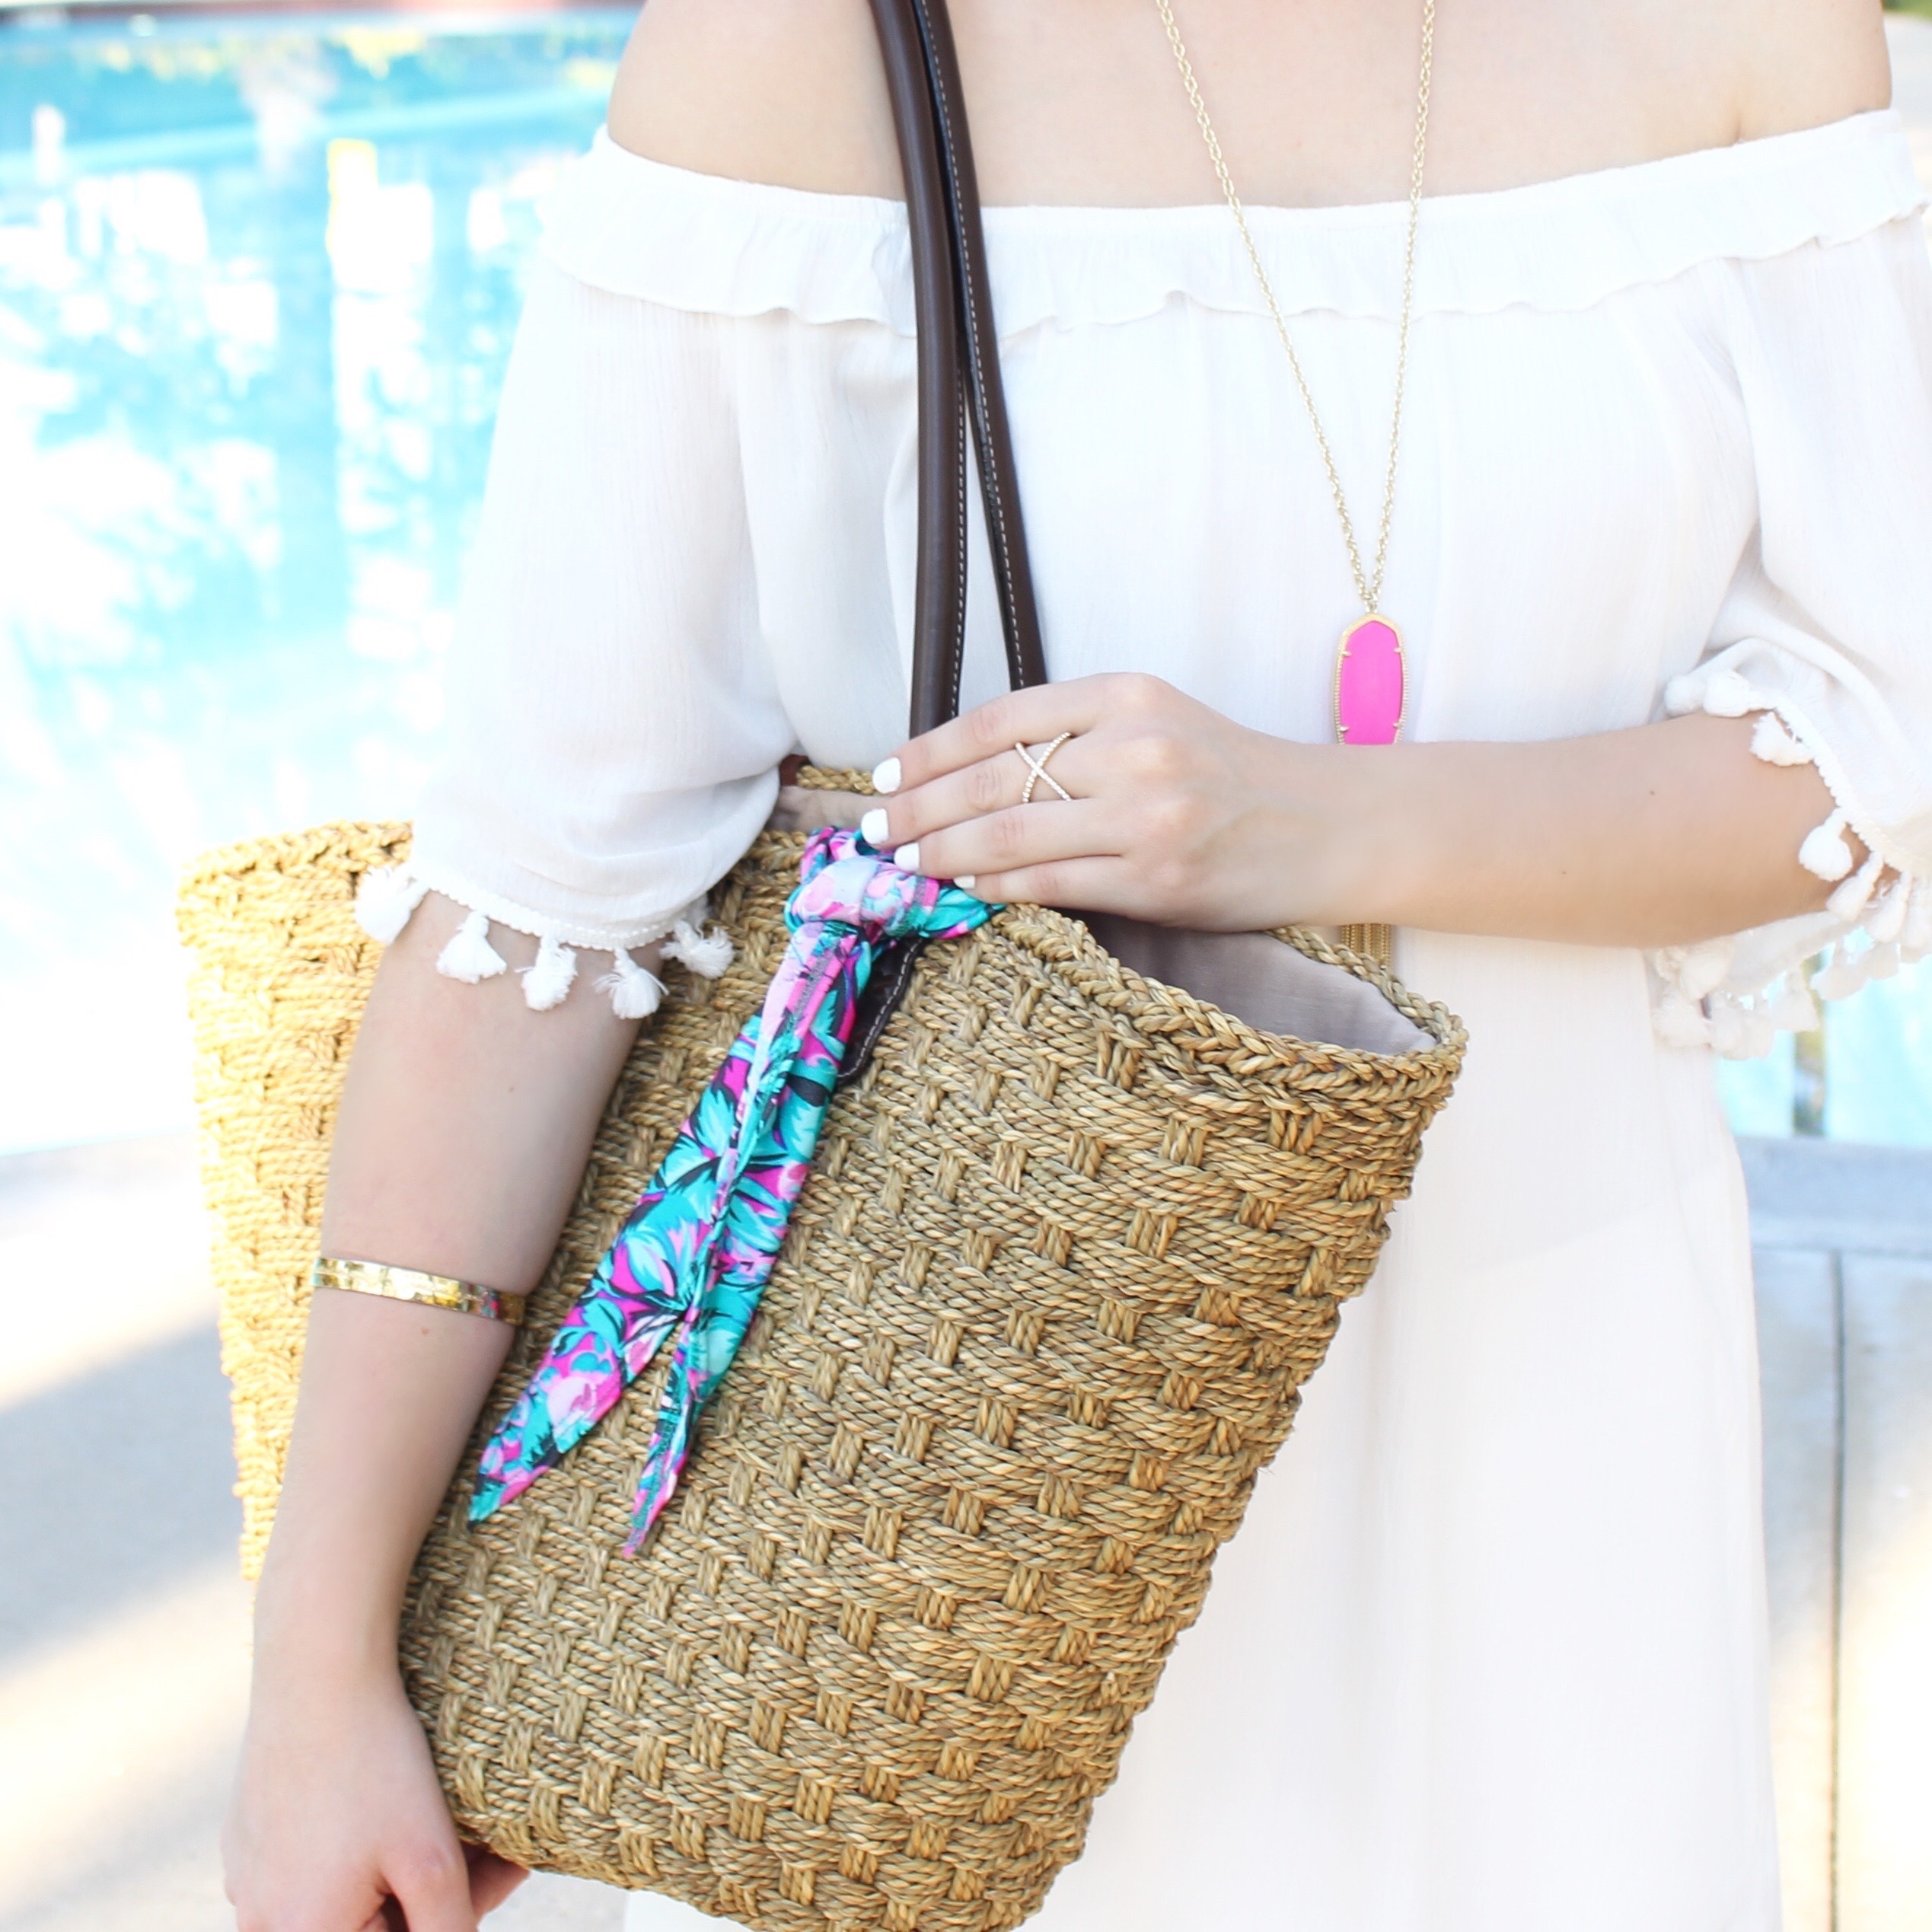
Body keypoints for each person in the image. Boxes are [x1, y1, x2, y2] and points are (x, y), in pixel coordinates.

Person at [222, 2, 1932, 1928]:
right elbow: (542, 903)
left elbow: (1877, 757)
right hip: (940, 1442)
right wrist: (320, 1661)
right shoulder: (798, 50)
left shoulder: (1736, 34)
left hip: (1548, 1410)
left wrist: (1313, 825)